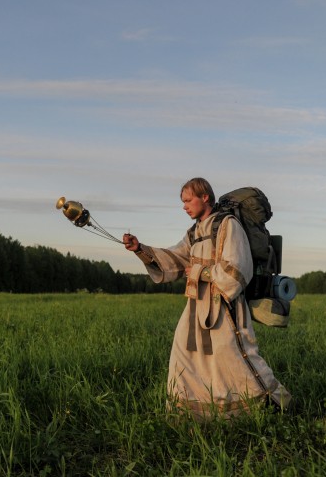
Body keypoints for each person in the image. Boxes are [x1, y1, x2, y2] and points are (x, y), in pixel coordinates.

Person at [123, 177, 290, 419]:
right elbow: (175, 259)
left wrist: (203, 272)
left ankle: (274, 405)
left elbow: (239, 267)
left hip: (224, 306)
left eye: (188, 200)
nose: (184, 206)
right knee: (185, 357)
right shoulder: (195, 232)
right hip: (196, 307)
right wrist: (140, 249)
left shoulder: (228, 224)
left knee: (234, 358)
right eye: (182, 201)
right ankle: (192, 415)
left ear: (204, 197)